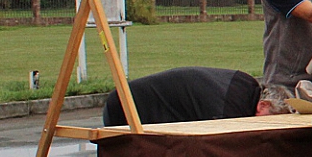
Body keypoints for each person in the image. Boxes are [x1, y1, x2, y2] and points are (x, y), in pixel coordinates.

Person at [102, 66, 259, 127]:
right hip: (126, 107)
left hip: (129, 100)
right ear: (262, 105)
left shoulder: (244, 84)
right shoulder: (228, 111)